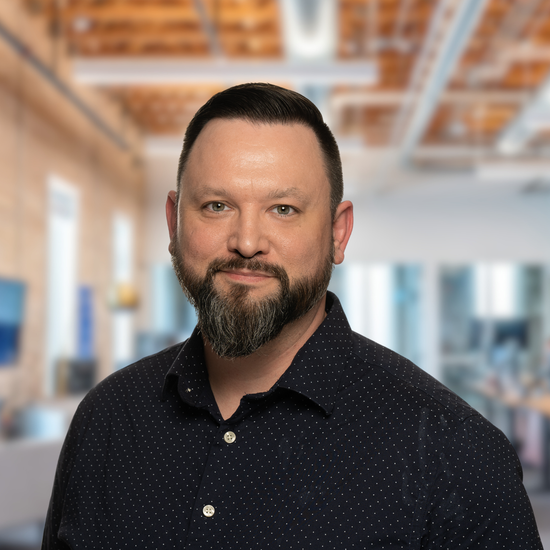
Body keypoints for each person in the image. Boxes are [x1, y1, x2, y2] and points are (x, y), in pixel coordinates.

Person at [42, 83, 542, 549]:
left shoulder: (456, 454)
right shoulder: (106, 419)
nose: (247, 242)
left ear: (338, 233)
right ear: (174, 223)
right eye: (216, 205)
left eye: (283, 209)